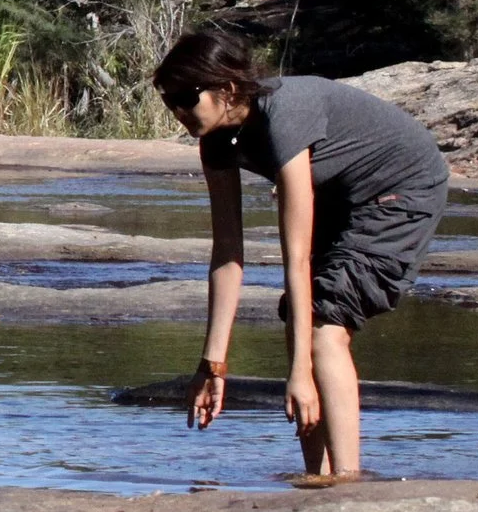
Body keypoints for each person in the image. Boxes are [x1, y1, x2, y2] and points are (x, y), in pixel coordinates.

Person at [153, 28, 448, 479]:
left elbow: (297, 255)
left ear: (227, 89)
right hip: (340, 193)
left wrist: (300, 373)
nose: (177, 111)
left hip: (400, 190)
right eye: (168, 100)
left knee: (325, 326)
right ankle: (316, 478)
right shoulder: (215, 140)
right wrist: (212, 365)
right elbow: (228, 254)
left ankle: (346, 483)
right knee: (300, 315)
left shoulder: (284, 115)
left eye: (186, 97)